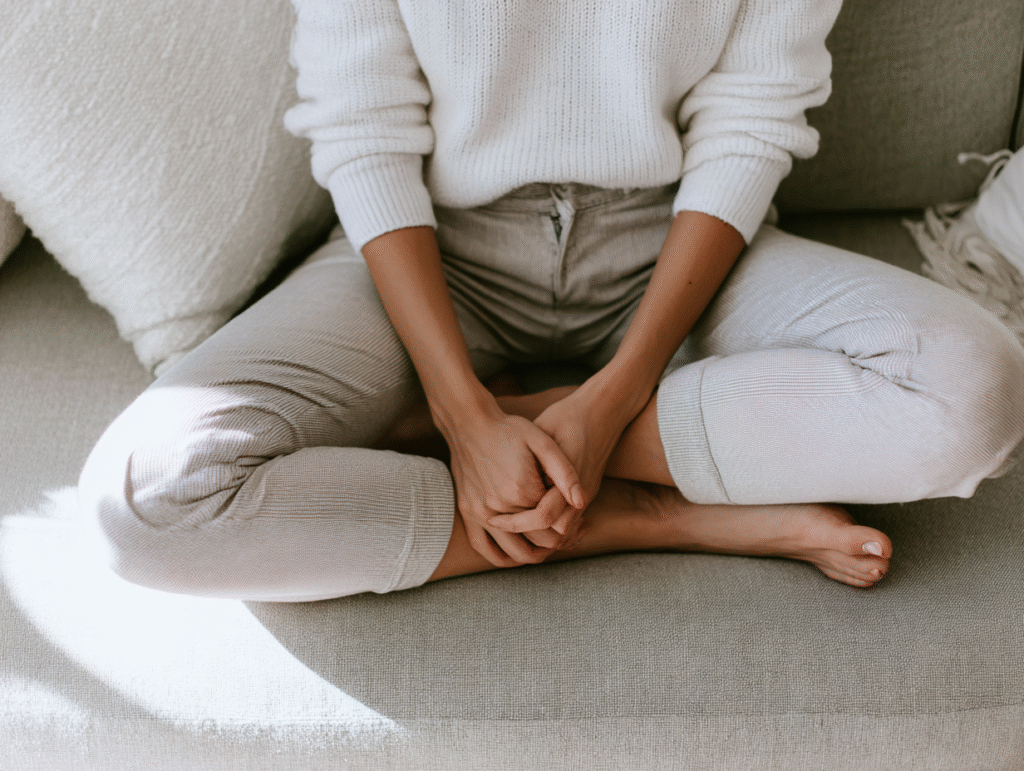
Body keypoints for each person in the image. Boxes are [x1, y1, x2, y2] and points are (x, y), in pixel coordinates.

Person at [79, 0, 1024, 601]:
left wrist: (611, 400)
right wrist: (458, 409)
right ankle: (645, 516)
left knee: (974, 389)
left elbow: (751, 124)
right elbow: (362, 125)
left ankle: (526, 446)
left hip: (678, 244)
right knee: (146, 500)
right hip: (437, 248)